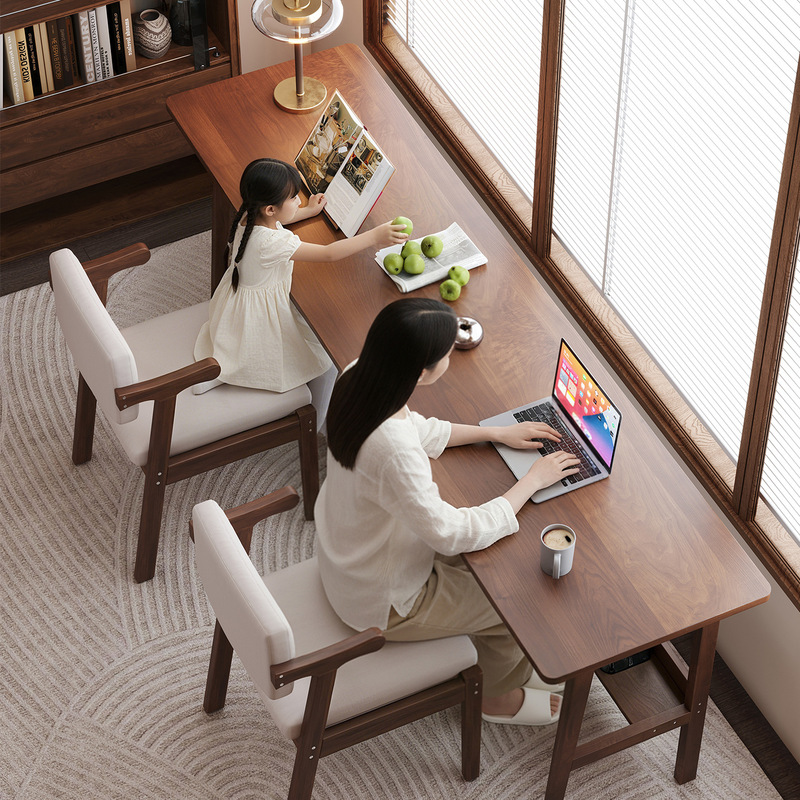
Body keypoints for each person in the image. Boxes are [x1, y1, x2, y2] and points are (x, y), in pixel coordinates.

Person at [314, 298, 581, 726]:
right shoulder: (395, 454)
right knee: (512, 607)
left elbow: (415, 428)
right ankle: (497, 700)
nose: (450, 356)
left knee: (492, 563)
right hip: (382, 599)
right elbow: (450, 534)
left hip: (349, 555)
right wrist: (530, 483)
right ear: (422, 370)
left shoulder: (357, 376)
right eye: (447, 352)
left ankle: (493, 662)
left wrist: (496, 432)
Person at [193, 158, 407, 430]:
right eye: (294, 198)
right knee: (323, 355)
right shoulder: (272, 243)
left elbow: (281, 220)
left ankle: (222, 367)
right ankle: (310, 420)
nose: (298, 200)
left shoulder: (248, 215)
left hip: (237, 301)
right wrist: (376, 236)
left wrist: (306, 211)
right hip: (256, 318)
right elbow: (329, 254)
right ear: (271, 208)